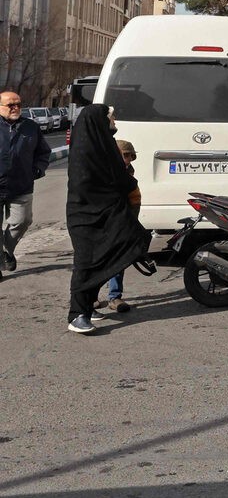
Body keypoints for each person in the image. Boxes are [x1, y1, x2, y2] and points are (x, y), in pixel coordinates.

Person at [64, 105, 153, 334]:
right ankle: (77, 315)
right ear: (99, 121)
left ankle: (89, 305)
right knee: (87, 262)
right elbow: (93, 183)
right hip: (86, 216)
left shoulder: (104, 143)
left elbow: (118, 175)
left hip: (108, 212)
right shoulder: (86, 150)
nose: (114, 122)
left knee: (111, 253)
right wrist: (125, 185)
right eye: (111, 118)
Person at [0, 89, 50, 280]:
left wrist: (37, 169)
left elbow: (43, 153)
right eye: (10, 105)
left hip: (21, 186)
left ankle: (5, 250)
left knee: (23, 221)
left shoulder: (30, 127)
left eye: (18, 104)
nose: (15, 108)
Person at [96, 139, 141, 314]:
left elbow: (135, 201)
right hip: (101, 224)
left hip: (121, 223)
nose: (128, 159)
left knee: (118, 260)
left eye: (131, 156)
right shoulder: (102, 172)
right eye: (125, 155)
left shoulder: (129, 174)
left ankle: (115, 297)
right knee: (98, 261)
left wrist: (132, 223)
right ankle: (91, 296)